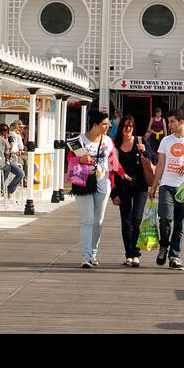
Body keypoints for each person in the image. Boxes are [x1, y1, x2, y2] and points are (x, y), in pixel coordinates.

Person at [148, 109, 184, 270]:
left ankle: (175, 256)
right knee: (165, 218)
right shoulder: (166, 141)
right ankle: (164, 246)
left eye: (172, 122)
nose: (169, 125)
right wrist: (154, 186)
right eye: (169, 122)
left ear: (181, 122)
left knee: (180, 224)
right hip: (167, 185)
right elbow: (160, 165)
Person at [70, 113, 117, 268]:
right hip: (84, 183)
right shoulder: (79, 141)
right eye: (104, 124)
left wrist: (123, 176)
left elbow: (113, 162)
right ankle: (86, 256)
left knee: (98, 222)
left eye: (107, 124)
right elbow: (70, 160)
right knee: (87, 220)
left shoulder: (108, 142)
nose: (107, 127)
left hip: (103, 184)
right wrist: (79, 159)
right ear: (94, 125)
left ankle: (93, 252)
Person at [111, 113, 154, 267]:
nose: (127, 129)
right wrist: (113, 193)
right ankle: (128, 254)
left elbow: (154, 159)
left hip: (140, 186)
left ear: (133, 128)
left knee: (136, 219)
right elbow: (110, 170)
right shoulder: (114, 145)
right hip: (122, 187)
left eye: (130, 126)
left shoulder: (141, 141)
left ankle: (136, 253)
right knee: (126, 221)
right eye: (125, 126)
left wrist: (145, 151)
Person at [0, 123, 24, 196]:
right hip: (4, 162)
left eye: (7, 130)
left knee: (20, 173)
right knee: (9, 168)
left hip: (8, 161)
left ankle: (7, 190)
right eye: (4, 130)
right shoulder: (3, 139)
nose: (5, 132)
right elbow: (8, 150)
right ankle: (1, 188)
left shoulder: (7, 138)